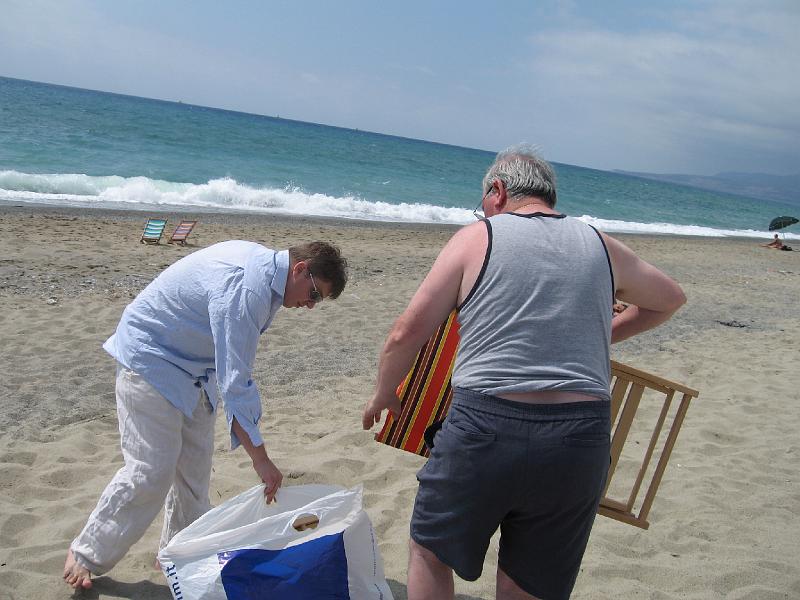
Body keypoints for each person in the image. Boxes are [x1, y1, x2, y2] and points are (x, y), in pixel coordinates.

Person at [362, 145, 686, 600]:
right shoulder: (600, 244)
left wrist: (384, 391)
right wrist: (600, 335)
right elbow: (669, 300)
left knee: (431, 552)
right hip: (579, 441)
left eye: (483, 203)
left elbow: (406, 333)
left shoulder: (479, 237)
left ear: (497, 191)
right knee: (530, 583)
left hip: (485, 428)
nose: (483, 212)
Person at [64, 240, 348, 590]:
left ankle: (176, 554)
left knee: (194, 476)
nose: (311, 305)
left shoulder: (271, 283)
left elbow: (229, 370)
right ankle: (86, 553)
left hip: (196, 369)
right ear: (300, 269)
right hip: (150, 356)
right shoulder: (247, 287)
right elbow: (236, 384)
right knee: (152, 470)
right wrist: (261, 460)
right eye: (314, 294)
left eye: (318, 300)